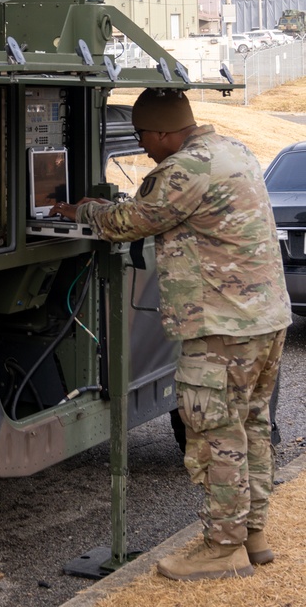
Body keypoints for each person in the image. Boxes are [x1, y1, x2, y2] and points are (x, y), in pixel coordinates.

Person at [50, 88, 291, 582]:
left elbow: (129, 221)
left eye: (143, 137)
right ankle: (253, 537)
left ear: (161, 132)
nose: (143, 148)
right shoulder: (233, 151)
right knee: (250, 429)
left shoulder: (184, 169)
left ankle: (222, 549)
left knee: (214, 436)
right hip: (265, 319)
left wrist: (80, 211)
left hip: (222, 326)